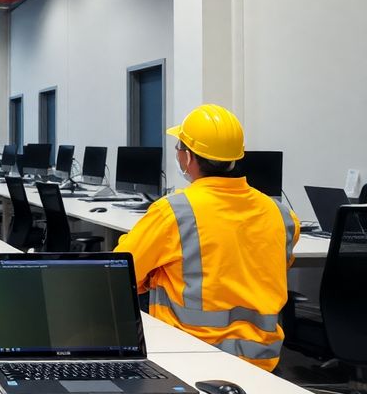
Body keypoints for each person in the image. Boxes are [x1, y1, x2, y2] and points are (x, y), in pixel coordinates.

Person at [114, 104, 298, 372]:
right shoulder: (282, 215)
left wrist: (155, 277)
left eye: (179, 147)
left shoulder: (174, 212)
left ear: (188, 158)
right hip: (263, 362)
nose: (177, 154)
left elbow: (123, 272)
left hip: (189, 355)